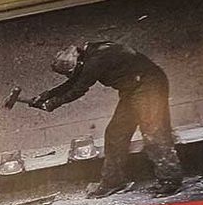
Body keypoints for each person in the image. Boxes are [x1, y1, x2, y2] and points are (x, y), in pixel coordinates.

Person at [26, 41, 183, 196]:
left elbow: (78, 89)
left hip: (149, 85)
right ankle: (114, 181)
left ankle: (170, 181)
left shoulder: (96, 60)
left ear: (77, 62)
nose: (70, 75)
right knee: (115, 133)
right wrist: (45, 96)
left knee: (153, 131)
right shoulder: (90, 54)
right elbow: (73, 82)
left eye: (70, 72)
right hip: (133, 89)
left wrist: (52, 103)